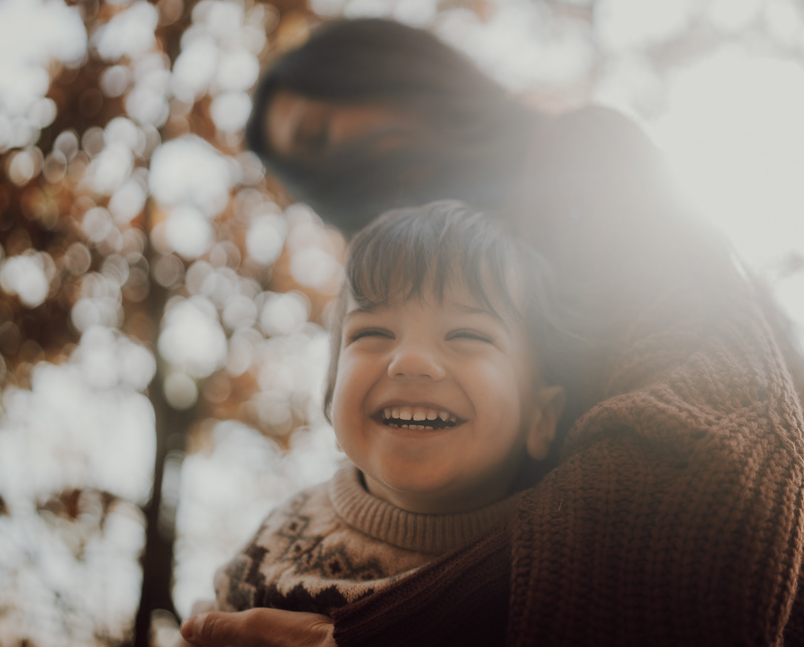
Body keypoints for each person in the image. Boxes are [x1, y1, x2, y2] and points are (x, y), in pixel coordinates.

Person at [182, 18, 804, 646]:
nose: (338, 162)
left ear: (379, 71)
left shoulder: (584, 162)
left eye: (320, 127)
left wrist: (384, 626)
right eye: (311, 168)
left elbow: (704, 453)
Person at [211, 201, 568, 618]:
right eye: (373, 332)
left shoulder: (557, 562)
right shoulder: (281, 539)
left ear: (542, 418)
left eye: (467, 334)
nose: (410, 361)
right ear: (331, 393)